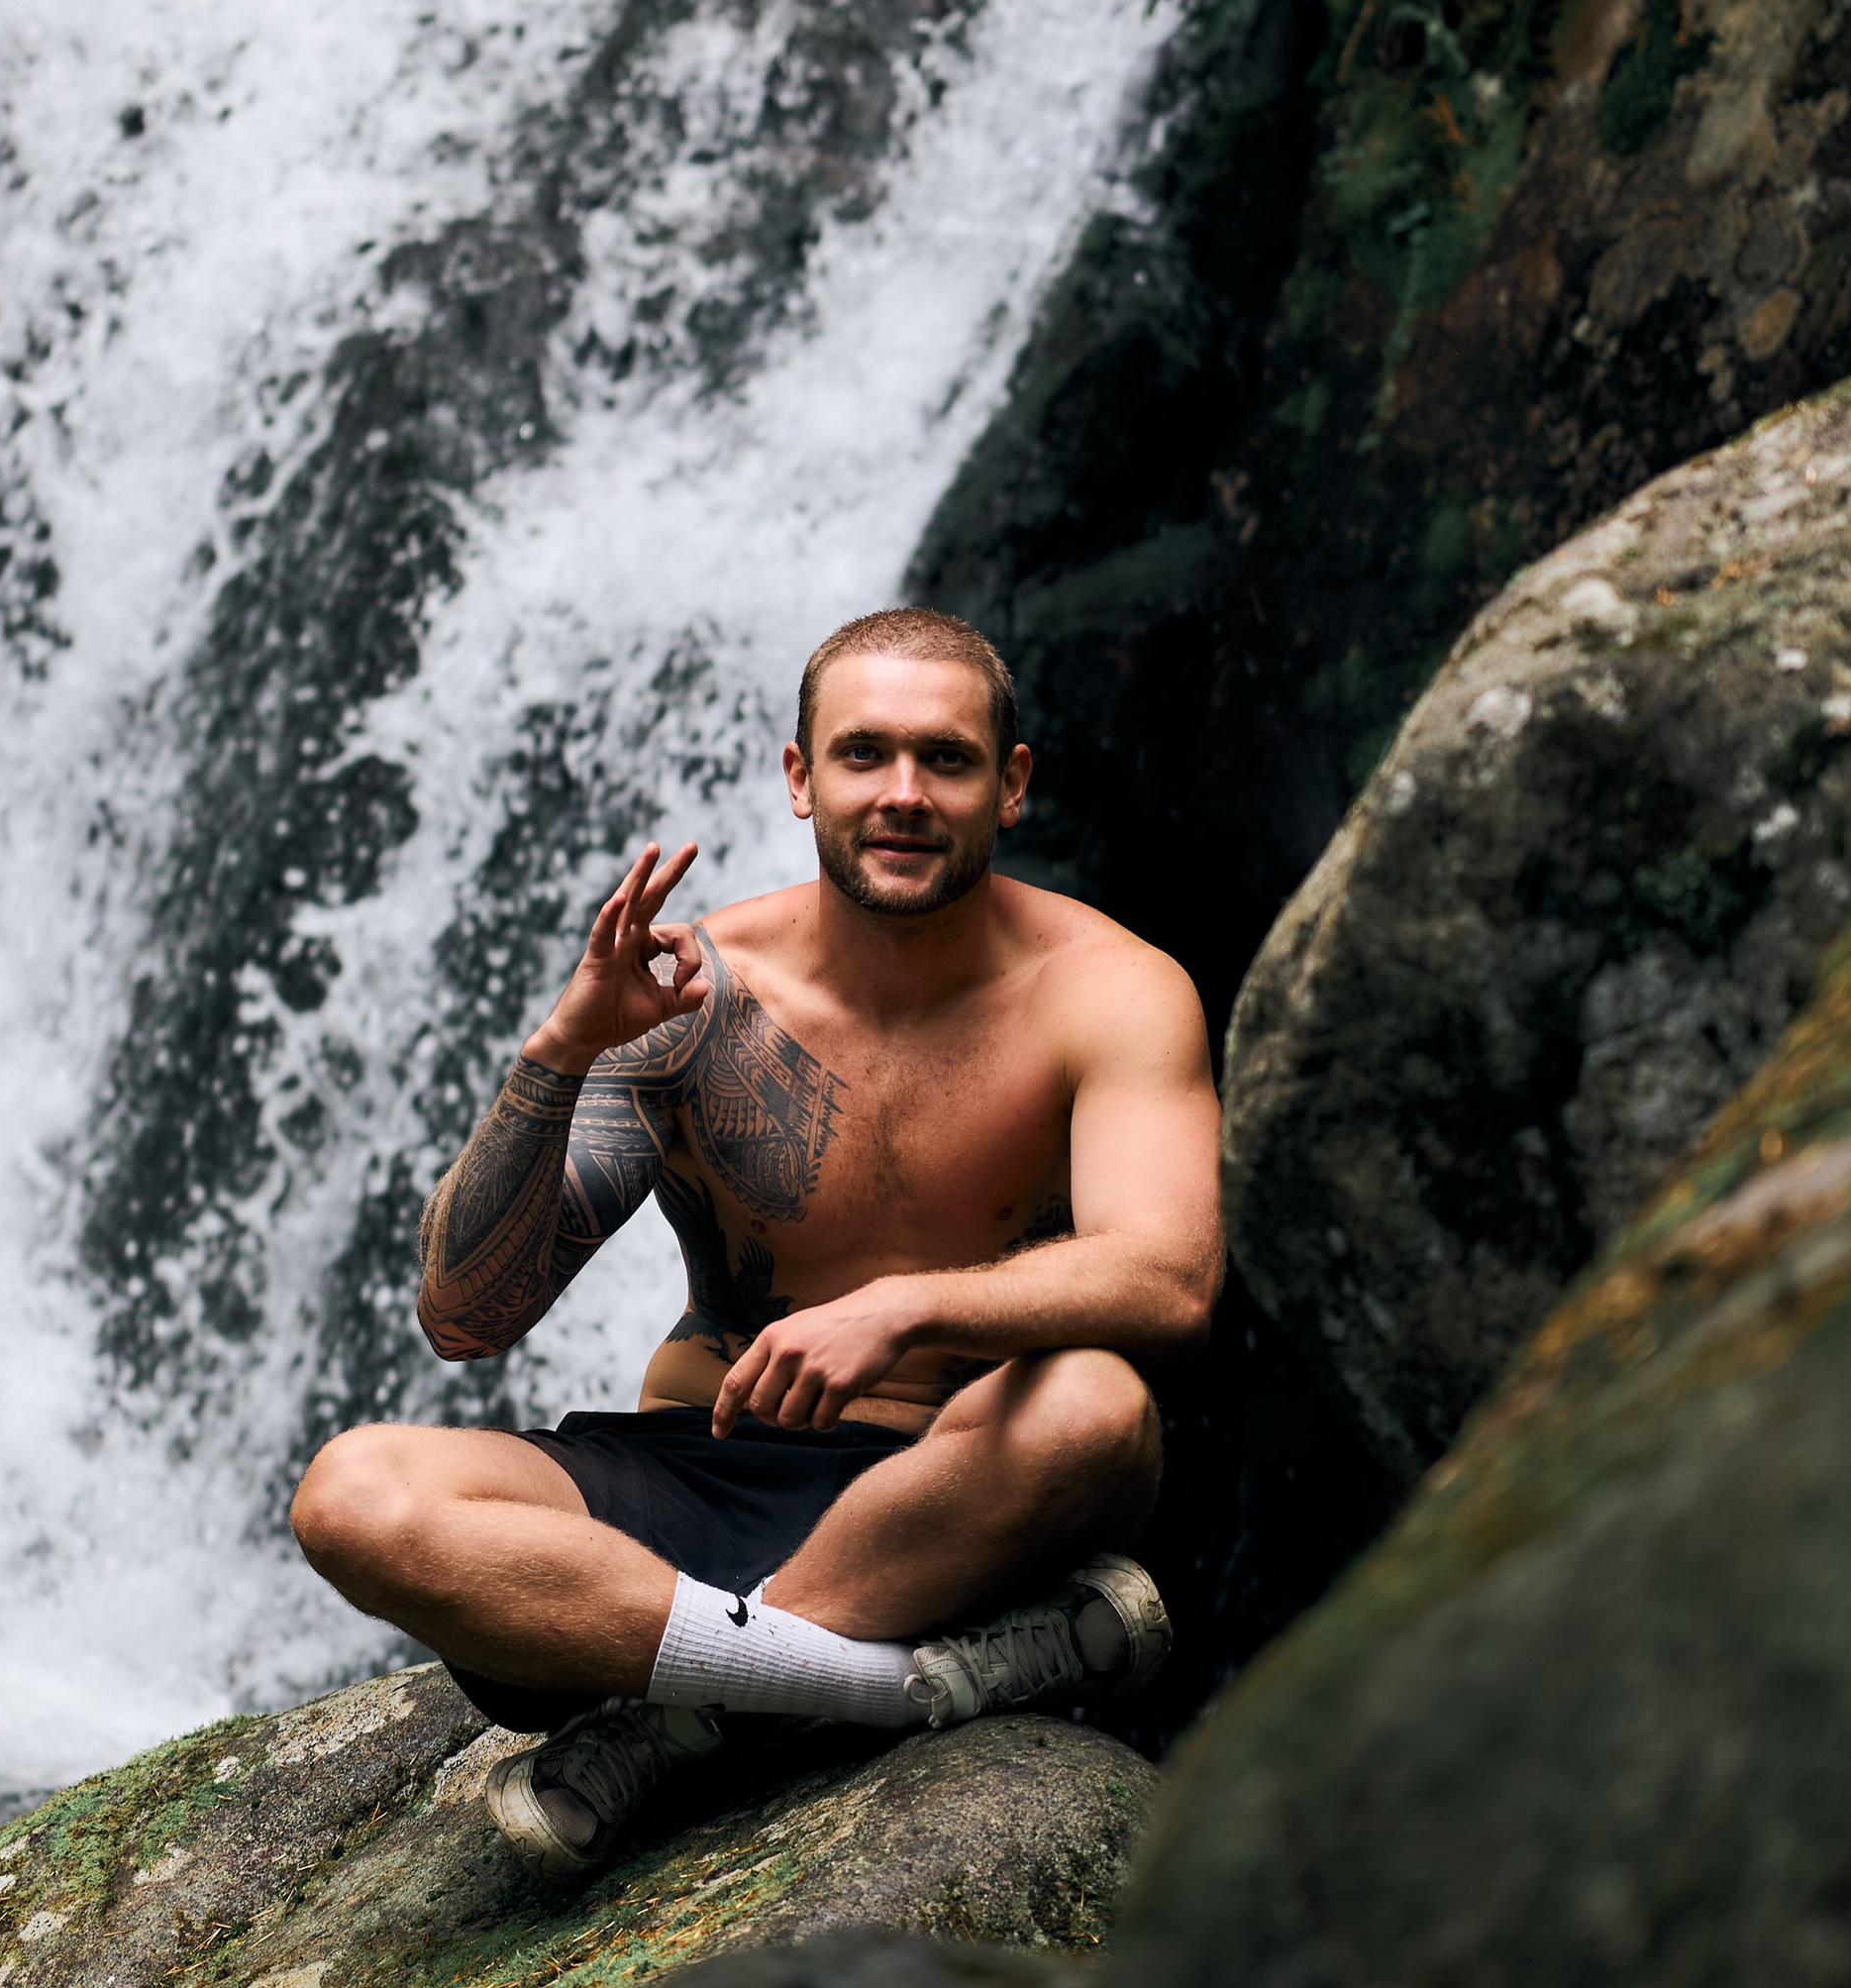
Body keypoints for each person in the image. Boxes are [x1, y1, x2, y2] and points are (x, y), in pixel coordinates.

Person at [292, 607, 1223, 1872]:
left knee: (1097, 1412)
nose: (903, 794)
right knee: (354, 1495)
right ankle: (863, 1685)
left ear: (1009, 785)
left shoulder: (1110, 991)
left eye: (946, 760)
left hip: (956, 1485)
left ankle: (680, 1715)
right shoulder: (693, 996)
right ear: (800, 777)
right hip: (698, 1473)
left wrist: (906, 1307)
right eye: (863, 754)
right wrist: (560, 1051)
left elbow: (1170, 1278)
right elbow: (464, 1317)